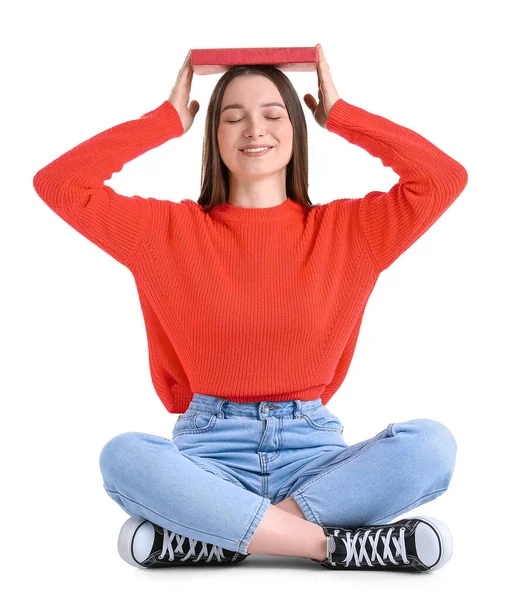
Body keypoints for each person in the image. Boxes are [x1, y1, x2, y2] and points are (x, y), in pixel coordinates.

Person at [33, 44, 468, 572]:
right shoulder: (163, 233)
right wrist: (164, 121)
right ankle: (326, 545)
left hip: (315, 457)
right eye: (232, 117)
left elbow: (442, 178)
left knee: (430, 446)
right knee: (123, 455)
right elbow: (59, 184)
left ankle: (217, 533)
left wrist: (344, 117)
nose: (253, 130)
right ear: (213, 136)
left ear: (296, 128)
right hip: (209, 456)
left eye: (272, 114)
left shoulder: (351, 232)